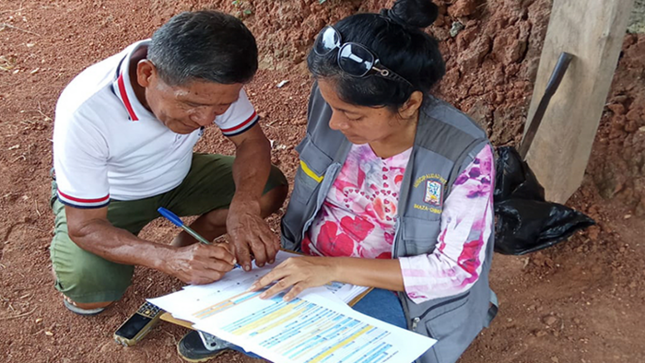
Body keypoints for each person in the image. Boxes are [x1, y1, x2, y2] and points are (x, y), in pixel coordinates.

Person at [253, 0, 498, 362]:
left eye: (351, 115)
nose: (334, 123)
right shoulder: (337, 96)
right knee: (264, 337)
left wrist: (331, 268)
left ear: (411, 104)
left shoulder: (463, 155)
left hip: (394, 290)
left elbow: (454, 270)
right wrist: (311, 262)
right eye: (330, 106)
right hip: (308, 261)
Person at [49, 9, 287, 355]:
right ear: (147, 74)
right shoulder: (85, 111)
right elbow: (85, 226)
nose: (205, 119)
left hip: (180, 174)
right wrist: (166, 260)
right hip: (112, 196)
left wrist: (244, 207)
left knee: (268, 189)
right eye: (192, 104)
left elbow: (252, 142)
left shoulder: (212, 79)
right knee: (90, 294)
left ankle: (190, 241)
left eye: (221, 108)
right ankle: (175, 254)